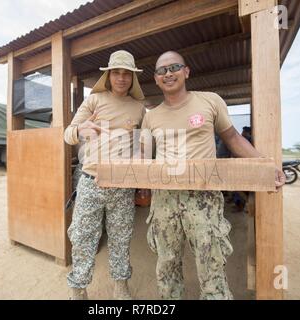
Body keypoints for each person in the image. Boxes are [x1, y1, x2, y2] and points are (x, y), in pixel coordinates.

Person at [140, 51, 285, 300]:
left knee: (211, 264)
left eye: (174, 67)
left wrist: (264, 166)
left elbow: (233, 138)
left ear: (186, 71)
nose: (168, 73)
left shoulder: (210, 101)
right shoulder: (150, 117)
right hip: (164, 198)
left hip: (203, 197)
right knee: (167, 264)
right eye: (162, 70)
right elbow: (143, 158)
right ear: (156, 79)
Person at [63, 50, 145, 300]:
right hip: (91, 182)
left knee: (121, 237)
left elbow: (142, 144)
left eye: (127, 74)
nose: (121, 78)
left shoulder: (139, 107)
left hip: (123, 185)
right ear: (109, 75)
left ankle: (121, 287)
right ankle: (78, 290)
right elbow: (67, 134)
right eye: (116, 73)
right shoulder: (93, 101)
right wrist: (80, 129)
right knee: (83, 237)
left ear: (133, 78)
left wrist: (142, 162)